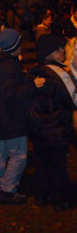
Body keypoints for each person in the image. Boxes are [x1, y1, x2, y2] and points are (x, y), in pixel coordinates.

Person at [0, 28, 45, 204]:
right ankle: (8, 189)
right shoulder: (10, 66)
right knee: (18, 154)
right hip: (10, 119)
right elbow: (9, 94)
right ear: (15, 46)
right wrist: (32, 85)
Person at [27, 34, 75, 211]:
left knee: (41, 164)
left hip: (38, 130)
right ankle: (60, 199)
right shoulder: (60, 74)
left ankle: (40, 196)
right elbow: (73, 100)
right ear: (50, 53)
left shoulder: (32, 72)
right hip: (57, 130)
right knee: (58, 166)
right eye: (59, 50)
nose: (63, 52)